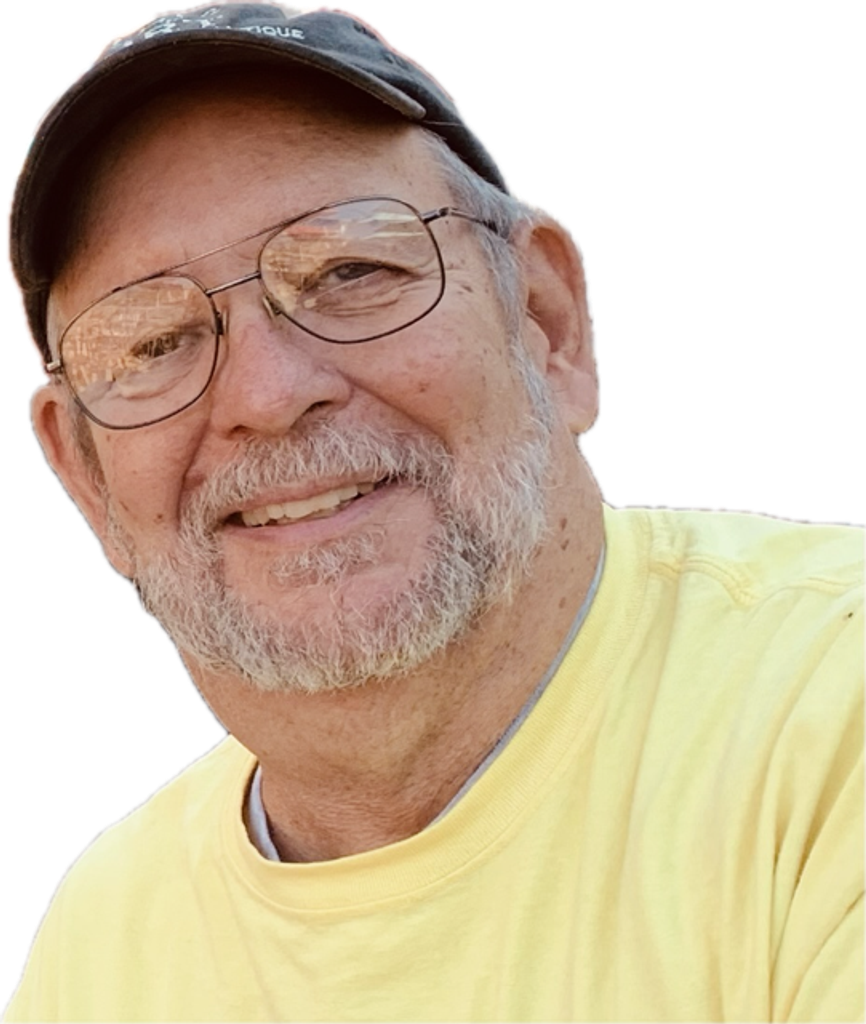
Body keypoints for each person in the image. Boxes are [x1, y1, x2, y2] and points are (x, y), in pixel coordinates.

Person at [4, 4, 864, 1021]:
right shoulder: (105, 942)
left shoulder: (832, 707)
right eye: (152, 343)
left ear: (544, 321)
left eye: (349, 271)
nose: (266, 395)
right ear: (87, 478)